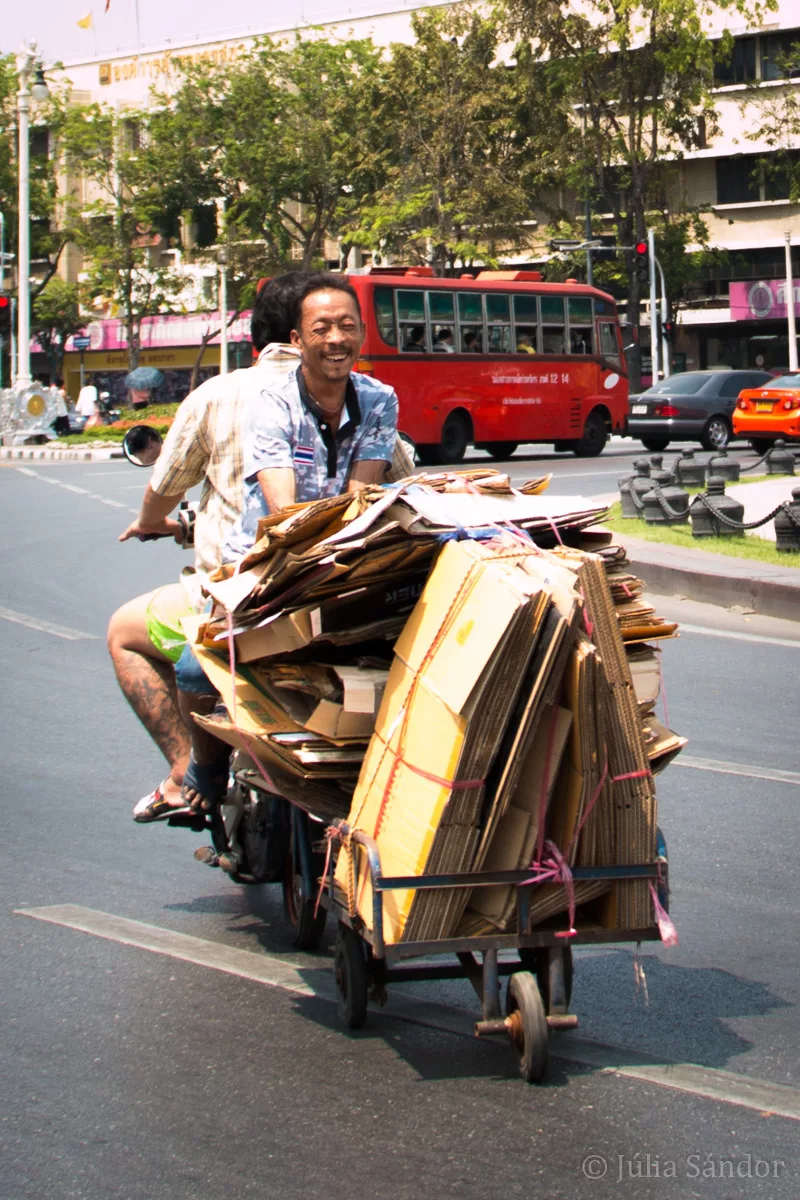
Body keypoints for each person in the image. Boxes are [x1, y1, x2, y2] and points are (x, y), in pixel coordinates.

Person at [178, 271, 399, 813]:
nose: (336, 339)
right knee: (193, 668)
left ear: (362, 333)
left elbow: (362, 493)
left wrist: (348, 559)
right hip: (267, 559)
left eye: (347, 326)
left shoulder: (379, 399)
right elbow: (284, 511)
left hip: (345, 555)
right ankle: (203, 774)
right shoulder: (271, 402)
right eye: (321, 328)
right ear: (298, 341)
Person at [108, 274, 305, 823]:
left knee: (125, 632)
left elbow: (164, 487)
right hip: (332, 586)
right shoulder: (364, 397)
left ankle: (187, 770)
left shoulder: (221, 395)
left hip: (246, 596)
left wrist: (153, 522)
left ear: (255, 341)